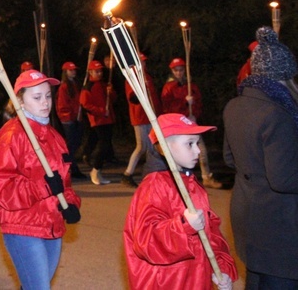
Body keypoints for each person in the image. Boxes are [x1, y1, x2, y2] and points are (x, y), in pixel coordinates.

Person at [0, 69, 81, 289]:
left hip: (52, 223)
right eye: (36, 97)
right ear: (20, 100)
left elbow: (64, 181)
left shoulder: (54, 136)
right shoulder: (11, 137)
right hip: (22, 226)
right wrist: (42, 186)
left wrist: (72, 203)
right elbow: (1, 189)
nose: (45, 102)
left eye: (48, 95)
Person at [124, 113, 237, 290]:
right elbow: (146, 241)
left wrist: (222, 269)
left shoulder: (192, 184)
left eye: (197, 142)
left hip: (197, 278)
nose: (198, 150)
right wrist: (183, 226)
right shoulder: (154, 187)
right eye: (189, 144)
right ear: (164, 147)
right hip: (168, 282)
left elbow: (211, 231)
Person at [224, 26, 298, 287]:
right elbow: (284, 179)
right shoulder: (279, 115)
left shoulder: (235, 106)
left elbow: (231, 159)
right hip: (279, 227)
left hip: (247, 214)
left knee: (256, 281)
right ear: (286, 75)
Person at [161, 58, 222, 189]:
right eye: (176, 70)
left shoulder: (191, 86)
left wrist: (194, 113)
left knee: (201, 150)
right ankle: (177, 178)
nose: (178, 73)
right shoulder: (169, 87)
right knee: (179, 152)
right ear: (172, 71)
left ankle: (206, 177)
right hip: (179, 127)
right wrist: (184, 103)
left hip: (192, 123)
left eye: (181, 70)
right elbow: (167, 108)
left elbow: (199, 103)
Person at [121, 54, 162, 188]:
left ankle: (150, 174)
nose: (143, 65)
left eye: (144, 62)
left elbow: (154, 97)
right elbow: (132, 98)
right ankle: (128, 174)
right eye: (141, 62)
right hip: (139, 117)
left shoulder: (146, 76)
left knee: (151, 147)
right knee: (142, 146)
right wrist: (141, 89)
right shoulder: (132, 78)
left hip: (150, 116)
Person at [80, 60, 116, 185]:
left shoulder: (103, 84)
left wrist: (111, 92)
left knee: (106, 146)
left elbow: (112, 100)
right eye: (96, 71)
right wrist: (101, 111)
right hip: (98, 120)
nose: (99, 73)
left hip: (108, 119)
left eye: (100, 71)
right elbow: (86, 105)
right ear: (91, 72)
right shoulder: (88, 87)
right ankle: (95, 169)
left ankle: (98, 171)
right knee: (103, 145)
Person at [56, 61, 84, 179]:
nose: (73, 72)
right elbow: (63, 105)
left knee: (75, 143)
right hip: (68, 119)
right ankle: (72, 168)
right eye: (70, 70)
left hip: (75, 117)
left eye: (74, 70)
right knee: (71, 144)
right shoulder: (64, 87)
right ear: (65, 72)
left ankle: (69, 165)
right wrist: (71, 115)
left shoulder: (75, 84)